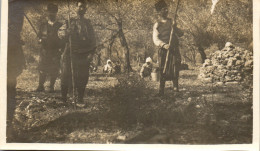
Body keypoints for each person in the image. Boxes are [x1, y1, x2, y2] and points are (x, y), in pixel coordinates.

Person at [59, 0, 96, 106]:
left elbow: (93, 40)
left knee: (83, 77)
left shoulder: (88, 23)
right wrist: (67, 32)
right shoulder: (69, 21)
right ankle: (64, 99)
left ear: (86, 9)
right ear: (76, 8)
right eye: (79, 7)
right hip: (70, 52)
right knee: (66, 75)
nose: (82, 9)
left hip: (84, 53)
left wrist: (91, 54)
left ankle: (80, 99)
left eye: (83, 7)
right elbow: (60, 34)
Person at [153, 0, 183, 96]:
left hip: (173, 49)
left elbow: (180, 34)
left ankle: (175, 87)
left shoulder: (172, 22)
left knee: (175, 67)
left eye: (166, 9)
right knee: (163, 68)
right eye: (163, 9)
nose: (166, 11)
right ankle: (161, 90)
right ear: (159, 12)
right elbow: (155, 38)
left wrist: (175, 28)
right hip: (163, 50)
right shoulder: (157, 24)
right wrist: (163, 45)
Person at [7, 0, 26, 141]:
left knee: (9, 89)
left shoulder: (16, 6)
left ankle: (8, 125)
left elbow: (14, 30)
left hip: (10, 53)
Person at [35, 3, 62, 92]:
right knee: (42, 68)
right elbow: (39, 37)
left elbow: (62, 38)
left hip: (55, 51)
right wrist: (39, 40)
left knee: (54, 69)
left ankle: (51, 86)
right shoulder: (43, 25)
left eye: (53, 12)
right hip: (44, 50)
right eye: (50, 12)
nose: (51, 14)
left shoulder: (60, 25)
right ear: (47, 13)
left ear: (56, 13)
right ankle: (40, 86)